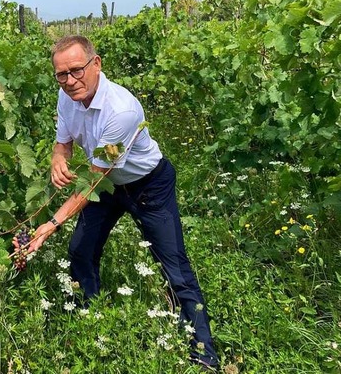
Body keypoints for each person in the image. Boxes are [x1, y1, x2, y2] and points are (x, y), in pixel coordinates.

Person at [24, 35, 219, 370]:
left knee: (174, 267)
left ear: (96, 64)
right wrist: (58, 159)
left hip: (147, 187)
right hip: (108, 186)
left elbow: (92, 180)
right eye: (61, 74)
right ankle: (89, 317)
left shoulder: (122, 111)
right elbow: (64, 144)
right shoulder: (66, 96)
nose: (70, 81)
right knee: (80, 251)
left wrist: (51, 224)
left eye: (77, 70)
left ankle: (204, 355)